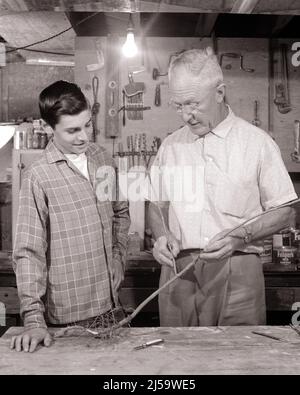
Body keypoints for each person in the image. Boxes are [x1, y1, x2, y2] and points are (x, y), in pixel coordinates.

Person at [148, 47, 297, 327]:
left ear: (219, 93)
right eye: (178, 106)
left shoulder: (256, 142)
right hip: (177, 270)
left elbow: (285, 212)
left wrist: (239, 236)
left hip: (237, 266)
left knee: (236, 361)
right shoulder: (170, 146)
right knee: (175, 359)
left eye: (193, 104)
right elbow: (156, 204)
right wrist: (161, 236)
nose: (185, 115)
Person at [11, 80, 130, 352]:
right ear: (48, 128)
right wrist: (33, 320)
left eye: (88, 125)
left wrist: (119, 257)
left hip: (110, 308)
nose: (84, 137)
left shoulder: (102, 158)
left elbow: (120, 212)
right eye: (72, 130)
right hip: (65, 318)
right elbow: (28, 252)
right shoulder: (38, 177)